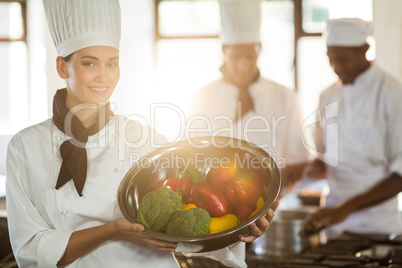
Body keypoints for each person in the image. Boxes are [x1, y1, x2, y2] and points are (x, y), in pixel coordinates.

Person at [5, 0, 278, 267]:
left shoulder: (149, 141)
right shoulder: (25, 148)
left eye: (112, 63)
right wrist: (110, 231)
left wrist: (238, 234)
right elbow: (30, 249)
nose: (104, 76)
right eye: (90, 63)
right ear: (62, 67)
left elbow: (188, 229)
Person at [188, 0, 312, 193]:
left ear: (259, 50)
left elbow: (298, 161)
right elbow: (188, 157)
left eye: (250, 57)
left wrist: (274, 189)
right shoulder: (202, 97)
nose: (243, 66)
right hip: (216, 207)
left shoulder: (284, 96)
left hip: (272, 203)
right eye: (236, 57)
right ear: (224, 51)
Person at [306, 18, 402, 237]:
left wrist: (346, 208)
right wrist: (299, 172)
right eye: (330, 60)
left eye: (342, 59)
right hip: (331, 223)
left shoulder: (392, 93)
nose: (336, 67)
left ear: (364, 49)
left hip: (377, 225)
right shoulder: (327, 95)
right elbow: (322, 160)